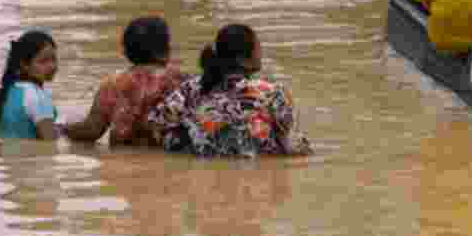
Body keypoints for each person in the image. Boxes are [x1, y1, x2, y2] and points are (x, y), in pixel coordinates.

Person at [146, 24, 312, 158]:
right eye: (258, 48)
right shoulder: (272, 92)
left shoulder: (192, 87)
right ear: (243, 59)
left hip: (203, 176)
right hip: (254, 178)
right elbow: (292, 144)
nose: (261, 53)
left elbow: (156, 122)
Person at [63, 16, 187, 147]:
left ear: (126, 51)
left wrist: (64, 129)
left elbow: (91, 130)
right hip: (165, 156)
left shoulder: (113, 84)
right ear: (166, 50)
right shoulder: (181, 82)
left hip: (122, 161)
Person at [0, 30, 60, 140]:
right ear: (24, 65)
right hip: (34, 156)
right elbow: (50, 141)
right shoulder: (39, 98)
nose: (52, 66)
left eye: (54, 59)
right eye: (43, 61)